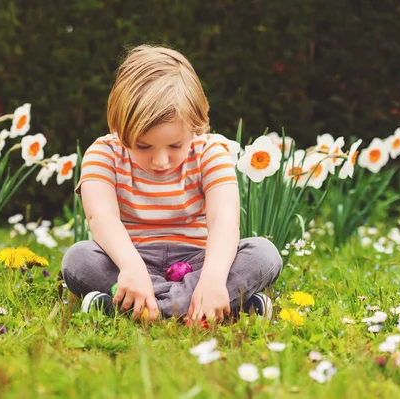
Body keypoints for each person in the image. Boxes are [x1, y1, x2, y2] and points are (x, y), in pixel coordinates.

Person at [61, 45, 282, 323]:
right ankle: (215, 308)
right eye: (143, 146)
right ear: (119, 128)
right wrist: (132, 267)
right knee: (79, 258)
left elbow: (224, 221)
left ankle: (141, 308)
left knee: (264, 253)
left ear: (196, 127)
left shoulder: (211, 152)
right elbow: (101, 217)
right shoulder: (103, 154)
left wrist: (212, 279)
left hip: (200, 262)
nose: (161, 161)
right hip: (130, 260)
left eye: (175, 145)